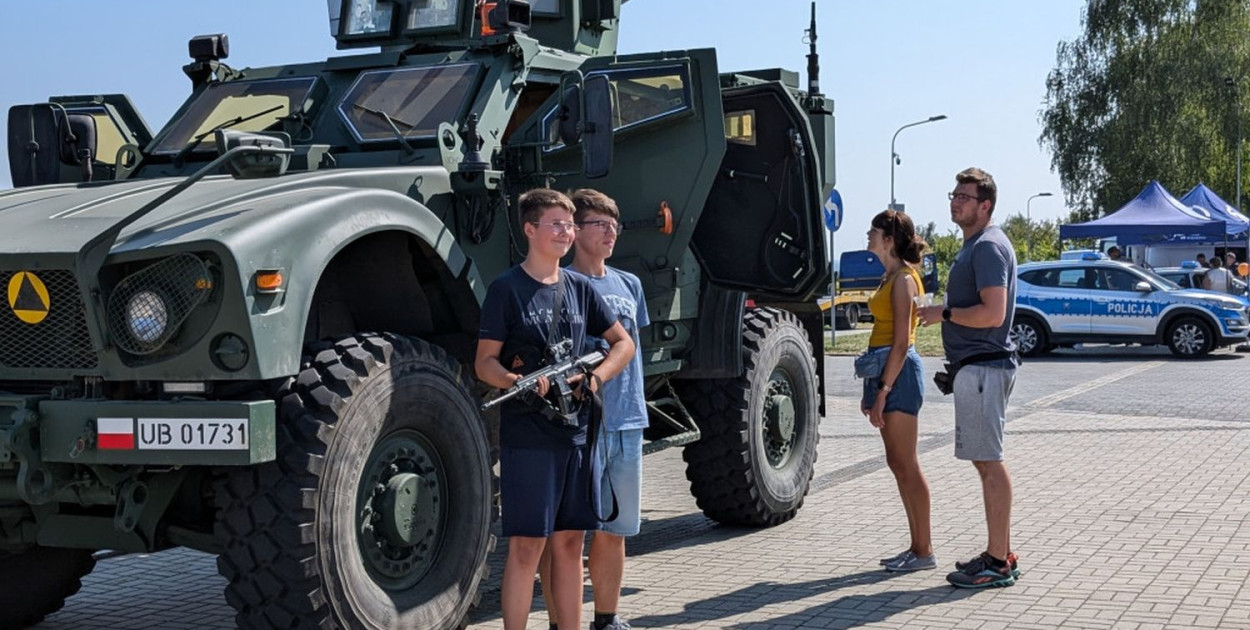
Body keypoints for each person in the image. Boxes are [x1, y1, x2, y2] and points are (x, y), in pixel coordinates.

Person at [475, 188, 635, 630]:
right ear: (530, 230)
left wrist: (597, 377)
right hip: (529, 437)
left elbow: (624, 344)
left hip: (577, 434)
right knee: (527, 548)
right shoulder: (506, 289)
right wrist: (517, 384)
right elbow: (485, 362)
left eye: (569, 225)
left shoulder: (581, 288)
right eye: (557, 224)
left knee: (569, 545)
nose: (567, 232)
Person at [538, 189, 649, 630]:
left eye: (614, 225)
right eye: (599, 224)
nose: (611, 232)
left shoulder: (630, 285)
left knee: (615, 530)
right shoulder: (557, 286)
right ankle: (560, 622)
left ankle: (607, 618)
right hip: (581, 426)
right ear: (575, 231)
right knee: (566, 534)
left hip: (627, 421)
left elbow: (636, 350)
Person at [918, 167, 1020, 589]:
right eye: (954, 194)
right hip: (977, 367)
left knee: (989, 462)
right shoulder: (977, 246)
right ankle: (999, 553)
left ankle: (999, 561)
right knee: (985, 461)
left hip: (984, 366)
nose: (955, 201)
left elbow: (993, 313)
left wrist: (943, 313)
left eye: (964, 196)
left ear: (985, 205)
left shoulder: (988, 248)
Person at [861, 209, 935, 573]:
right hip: (888, 371)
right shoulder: (890, 275)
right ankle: (916, 547)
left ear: (889, 238)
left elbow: (903, 342)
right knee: (898, 463)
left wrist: (883, 390)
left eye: (874, 230)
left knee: (907, 464)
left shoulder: (904, 279)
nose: (868, 235)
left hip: (900, 374)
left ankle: (924, 551)